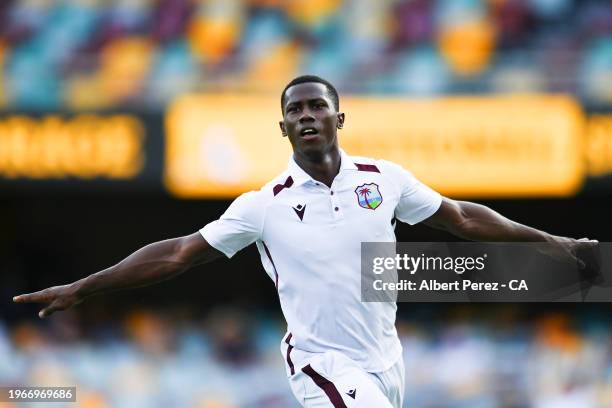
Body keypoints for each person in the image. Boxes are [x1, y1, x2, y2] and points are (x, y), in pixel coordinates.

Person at [13, 75, 597, 408]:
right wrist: (85, 288)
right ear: (284, 127)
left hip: (385, 361)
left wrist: (555, 244)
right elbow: (178, 252)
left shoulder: (384, 180)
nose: (308, 114)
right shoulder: (262, 205)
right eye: (295, 109)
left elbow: (463, 218)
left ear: (339, 119)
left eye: (318, 105)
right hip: (321, 362)